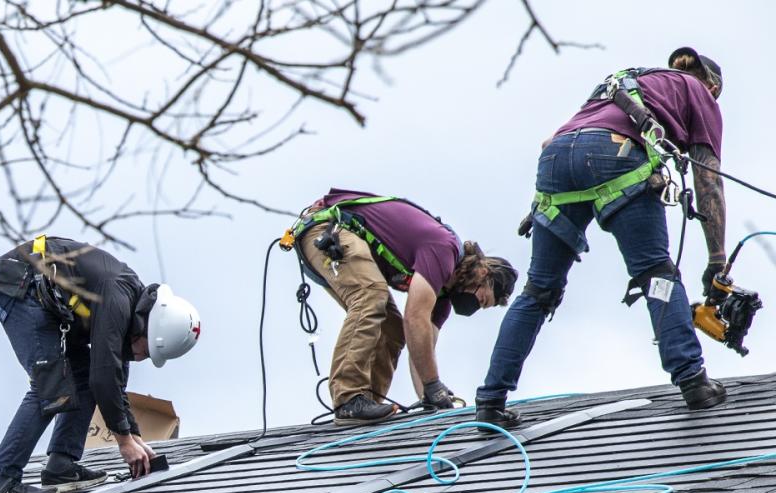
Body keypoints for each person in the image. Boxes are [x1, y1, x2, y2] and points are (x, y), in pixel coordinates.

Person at [475, 47, 728, 427]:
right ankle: (693, 381)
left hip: (556, 159)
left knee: (538, 290)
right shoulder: (698, 92)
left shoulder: (624, 83)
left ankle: (490, 402)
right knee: (656, 274)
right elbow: (707, 180)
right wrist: (717, 259)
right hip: (616, 153)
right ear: (712, 86)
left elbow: (553, 143)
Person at [0, 235, 200, 493]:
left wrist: (133, 436)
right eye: (146, 351)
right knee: (49, 384)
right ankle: (3, 484)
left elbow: (113, 376)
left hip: (43, 297)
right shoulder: (118, 300)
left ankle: (61, 465)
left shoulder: (130, 307)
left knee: (82, 373)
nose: (142, 358)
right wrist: (124, 442)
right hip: (19, 288)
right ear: (147, 329)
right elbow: (105, 375)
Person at [293, 189, 518, 426]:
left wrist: (432, 400)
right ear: (482, 273)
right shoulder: (445, 250)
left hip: (338, 240)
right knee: (370, 296)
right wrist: (434, 387)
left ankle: (367, 402)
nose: (474, 306)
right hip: (328, 229)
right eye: (481, 299)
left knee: (392, 328)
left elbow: (420, 346)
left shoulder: (441, 296)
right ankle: (349, 399)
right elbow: (414, 318)